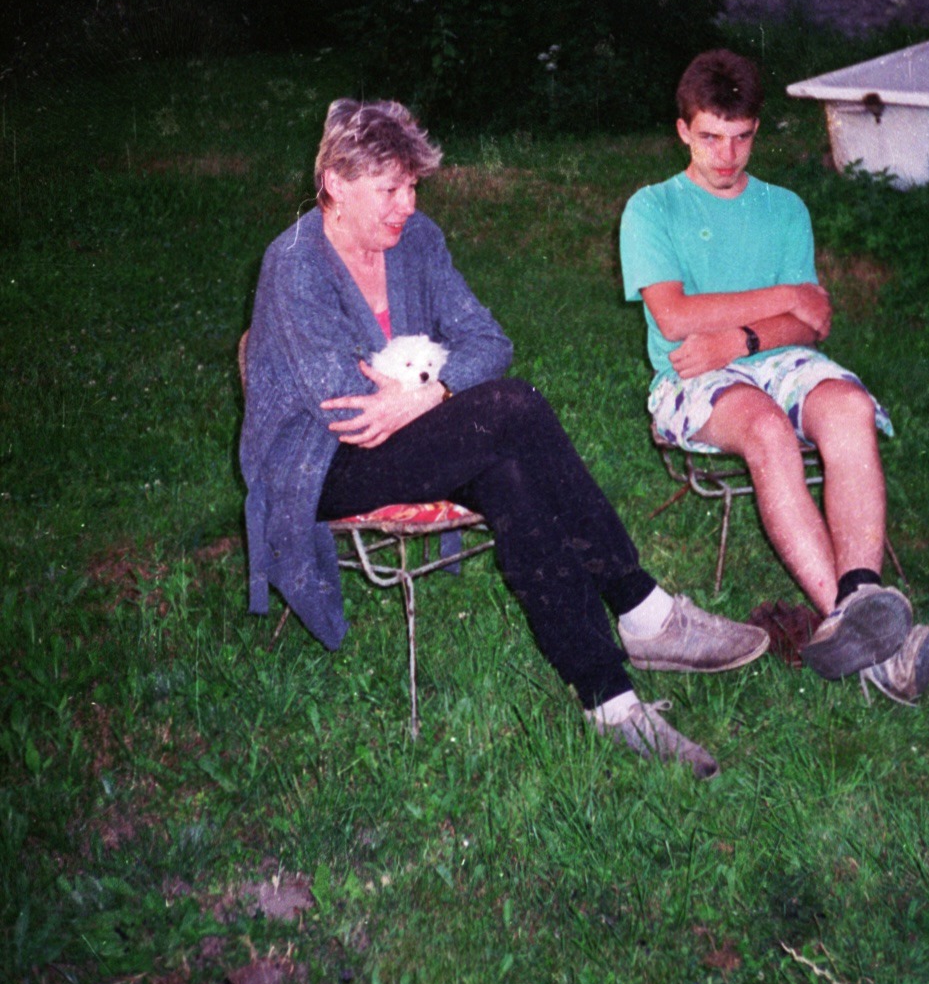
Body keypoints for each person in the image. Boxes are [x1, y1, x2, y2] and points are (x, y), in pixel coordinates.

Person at [241, 97, 771, 779]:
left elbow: (489, 339)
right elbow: (346, 406)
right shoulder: (294, 264)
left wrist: (428, 391)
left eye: (412, 185)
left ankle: (610, 700)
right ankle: (642, 608)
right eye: (389, 189)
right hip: (325, 460)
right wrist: (428, 390)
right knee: (512, 407)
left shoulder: (419, 240)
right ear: (335, 185)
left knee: (510, 475)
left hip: (417, 431)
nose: (406, 204)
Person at [619, 50, 929, 703]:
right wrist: (779, 299)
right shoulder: (651, 208)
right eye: (710, 137)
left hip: (766, 357)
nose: (725, 155)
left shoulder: (784, 208)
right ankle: (876, 641)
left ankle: (855, 599)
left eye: (740, 138)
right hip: (691, 379)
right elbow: (674, 315)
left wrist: (738, 336)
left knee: (848, 404)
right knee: (768, 431)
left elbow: (813, 321)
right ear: (683, 130)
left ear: (756, 131)